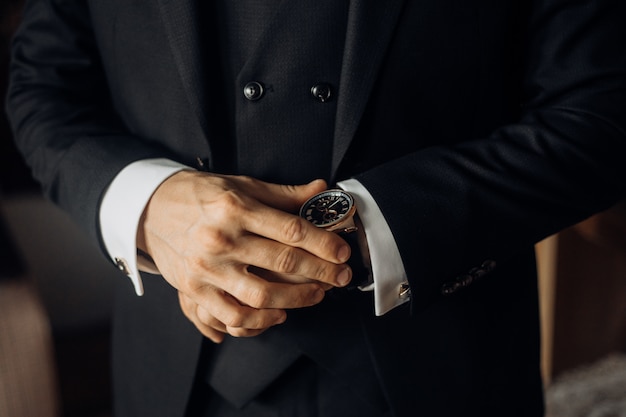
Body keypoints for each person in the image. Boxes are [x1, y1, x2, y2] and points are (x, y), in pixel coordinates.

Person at [6, 0, 626, 416]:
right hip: (172, 374)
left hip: (441, 366)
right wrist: (148, 206)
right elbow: (42, 86)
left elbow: (602, 109)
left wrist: (361, 226)